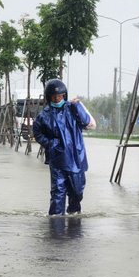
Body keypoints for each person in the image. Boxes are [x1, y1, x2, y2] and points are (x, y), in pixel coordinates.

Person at [32, 79, 93, 215]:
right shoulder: (44, 115)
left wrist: (78, 106)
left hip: (76, 157)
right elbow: (36, 131)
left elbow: (86, 122)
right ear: (49, 98)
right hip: (57, 158)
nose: (56, 99)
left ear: (64, 96)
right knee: (58, 193)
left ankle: (73, 214)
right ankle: (56, 224)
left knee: (77, 191)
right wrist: (49, 144)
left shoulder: (72, 109)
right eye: (53, 97)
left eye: (59, 96)